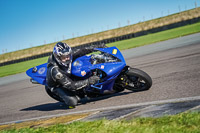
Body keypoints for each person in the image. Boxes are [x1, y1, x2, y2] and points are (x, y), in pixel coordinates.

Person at [46, 42, 106, 107]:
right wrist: (88, 81)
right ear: (58, 57)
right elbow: (72, 85)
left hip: (68, 75)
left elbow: (83, 50)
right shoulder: (56, 71)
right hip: (58, 85)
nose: (67, 58)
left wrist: (99, 46)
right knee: (73, 102)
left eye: (68, 55)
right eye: (64, 57)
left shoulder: (68, 54)